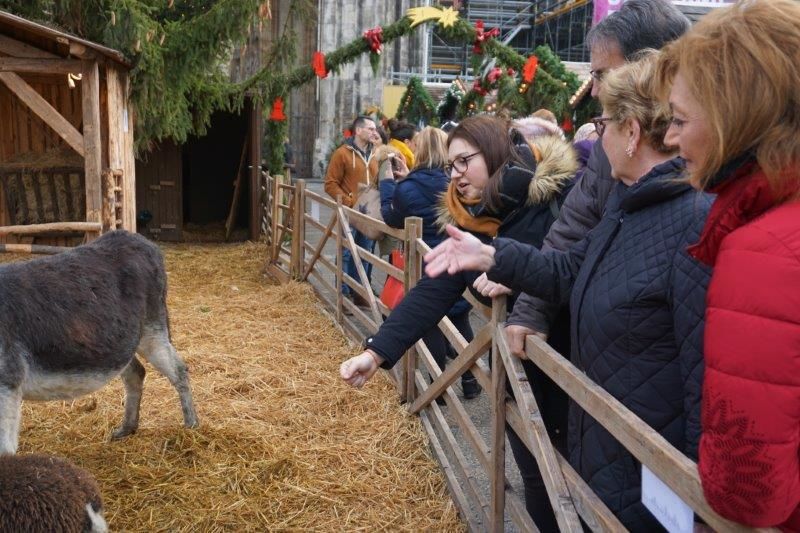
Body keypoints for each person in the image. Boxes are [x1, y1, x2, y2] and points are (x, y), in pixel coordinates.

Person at [425, 53, 712, 531]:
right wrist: (493, 256)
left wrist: (698, 500)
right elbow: (569, 269)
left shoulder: (691, 220)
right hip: (610, 448)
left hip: (653, 469)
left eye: (603, 125)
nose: (598, 137)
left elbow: (703, 373)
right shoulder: (628, 205)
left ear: (632, 132)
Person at [341, 115, 578, 531]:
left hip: (571, 367)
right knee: (537, 481)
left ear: (495, 153)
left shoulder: (557, 201)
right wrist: (376, 352)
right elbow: (434, 289)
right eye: (452, 165)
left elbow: (574, 272)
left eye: (465, 161)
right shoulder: (469, 217)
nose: (455, 174)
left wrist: (513, 270)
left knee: (578, 488)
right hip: (519, 372)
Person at [655, 0, 800, 528]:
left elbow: (747, 490)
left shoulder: (763, 251)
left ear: (735, 118)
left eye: (679, 119)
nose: (670, 138)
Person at [505, 0, 690, 362]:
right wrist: (530, 310)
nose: (593, 90)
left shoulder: (707, 151)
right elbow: (572, 233)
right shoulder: (613, 152)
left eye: (602, 74)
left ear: (649, 66)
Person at [378, 126, 480, 399]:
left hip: (428, 262)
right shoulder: (456, 183)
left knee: (432, 325)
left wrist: (388, 184)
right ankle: (471, 381)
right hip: (457, 259)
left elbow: (391, 217)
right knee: (461, 322)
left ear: (418, 150)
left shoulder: (408, 188)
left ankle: (438, 389)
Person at [324, 116, 377, 305]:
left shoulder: (376, 154)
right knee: (346, 253)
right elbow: (330, 184)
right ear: (358, 130)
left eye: (375, 129)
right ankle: (343, 294)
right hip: (349, 211)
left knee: (365, 252)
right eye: (370, 129)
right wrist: (349, 202)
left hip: (370, 213)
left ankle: (360, 293)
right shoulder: (342, 154)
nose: (374, 132)